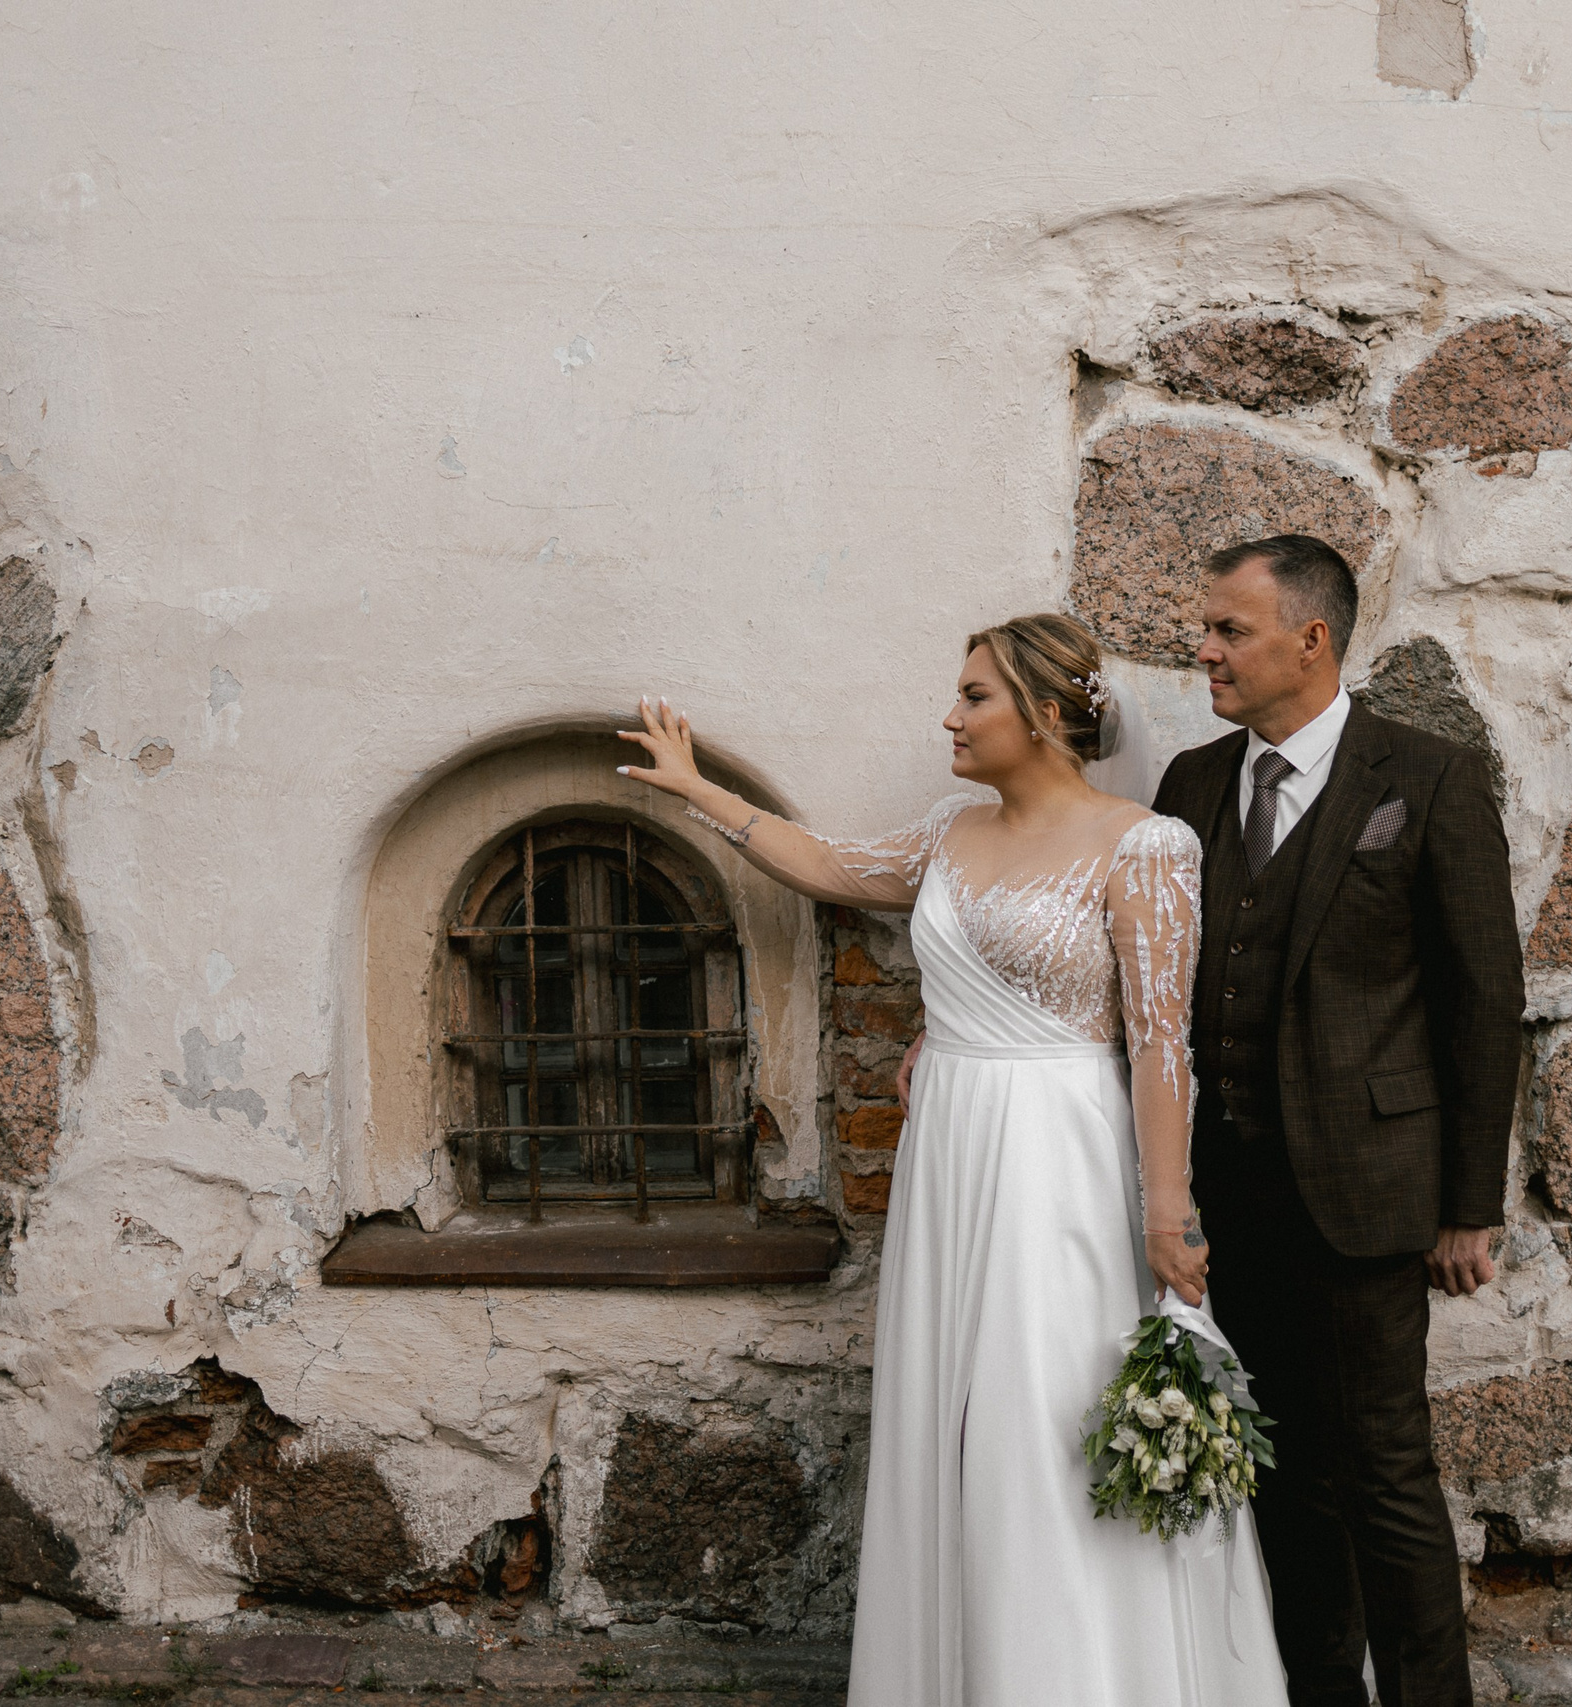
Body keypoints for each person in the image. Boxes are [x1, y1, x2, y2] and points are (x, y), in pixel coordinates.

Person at [617, 614, 1287, 1707]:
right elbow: (832, 867)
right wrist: (698, 789)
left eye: (973, 696)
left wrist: (1168, 1211)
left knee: (1043, 1416)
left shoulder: (1144, 845)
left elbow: (1164, 1043)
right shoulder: (949, 830)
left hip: (1059, 1156)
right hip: (951, 1147)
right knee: (953, 1417)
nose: (949, 715)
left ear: (1044, 711)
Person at [1149, 535, 1526, 1707]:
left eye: (1229, 631)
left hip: (1368, 1194)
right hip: (1229, 1195)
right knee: (1282, 1473)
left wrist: (1469, 1206)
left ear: (1309, 640)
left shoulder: (1428, 776)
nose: (1202, 649)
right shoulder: (1190, 784)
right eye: (1206, 628)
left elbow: (1483, 1001)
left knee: (1384, 1474)